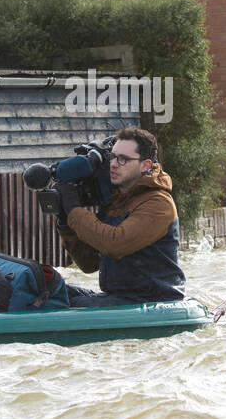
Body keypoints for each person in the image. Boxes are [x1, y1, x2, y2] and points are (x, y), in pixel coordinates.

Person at [56, 126, 186, 307]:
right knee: (50, 290)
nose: (114, 164)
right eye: (113, 157)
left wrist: (74, 211)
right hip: (119, 297)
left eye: (123, 159)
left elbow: (114, 244)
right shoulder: (115, 200)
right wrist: (65, 224)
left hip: (153, 301)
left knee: (71, 305)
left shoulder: (159, 203)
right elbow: (89, 264)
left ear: (145, 165)